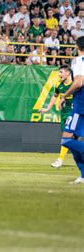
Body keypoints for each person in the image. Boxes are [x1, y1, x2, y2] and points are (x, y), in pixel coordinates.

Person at [58, 37, 84, 184]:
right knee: (72, 139)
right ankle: (83, 176)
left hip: (80, 104)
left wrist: (64, 95)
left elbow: (79, 82)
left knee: (66, 139)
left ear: (77, 47)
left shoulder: (78, 61)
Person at [39, 65, 73, 168]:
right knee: (69, 137)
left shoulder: (76, 84)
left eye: (61, 72)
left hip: (75, 113)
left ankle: (60, 160)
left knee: (67, 136)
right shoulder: (58, 85)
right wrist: (47, 108)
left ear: (68, 73)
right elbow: (55, 96)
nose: (59, 74)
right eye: (59, 72)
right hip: (64, 113)